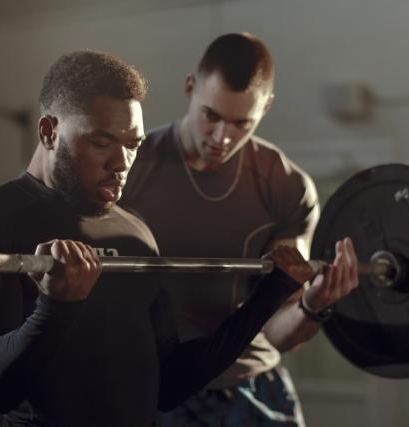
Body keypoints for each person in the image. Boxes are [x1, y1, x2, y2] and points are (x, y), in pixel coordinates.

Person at [0, 50, 349, 427]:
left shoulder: (135, 232)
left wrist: (270, 295)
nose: (121, 164)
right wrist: (56, 307)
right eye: (102, 143)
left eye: (132, 145)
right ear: (49, 131)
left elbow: (169, 383)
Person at [120, 33, 360, 426]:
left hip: (249, 388)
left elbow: (280, 333)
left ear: (266, 108)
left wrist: (313, 307)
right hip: (151, 386)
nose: (222, 137)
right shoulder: (131, 167)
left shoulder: (286, 187)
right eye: (211, 115)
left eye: (240, 123)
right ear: (190, 87)